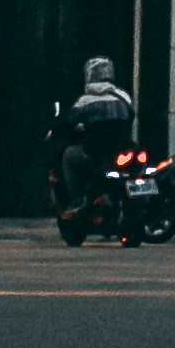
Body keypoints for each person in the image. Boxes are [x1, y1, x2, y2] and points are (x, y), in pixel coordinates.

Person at [52, 53, 136, 222]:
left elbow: (69, 124)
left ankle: (76, 200)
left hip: (96, 152)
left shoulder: (86, 100)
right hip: (124, 150)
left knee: (69, 155)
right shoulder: (123, 96)